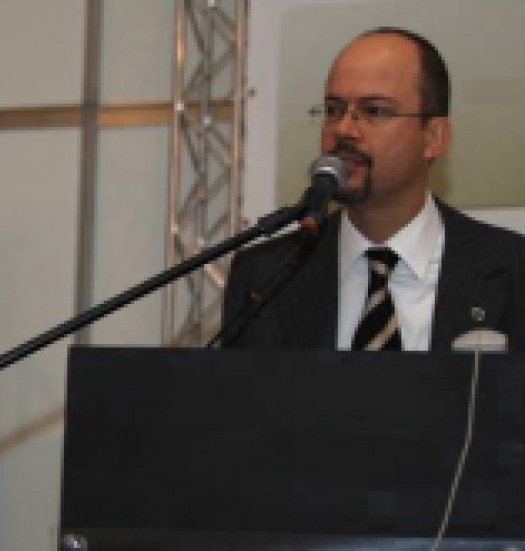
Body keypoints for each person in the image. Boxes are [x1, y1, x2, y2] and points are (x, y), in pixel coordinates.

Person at [223, 26, 525, 351]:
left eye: (374, 111)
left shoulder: (514, 270)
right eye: (334, 110)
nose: (344, 130)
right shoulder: (265, 277)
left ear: (434, 137)